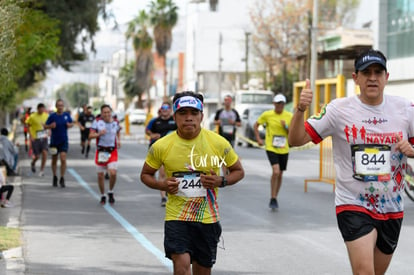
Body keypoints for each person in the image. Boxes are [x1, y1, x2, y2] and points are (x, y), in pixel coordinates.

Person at [288, 49, 414, 275]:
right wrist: (300, 110)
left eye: (378, 72)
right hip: (353, 204)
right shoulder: (339, 109)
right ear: (355, 78)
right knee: (364, 272)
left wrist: (412, 151)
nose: (372, 77)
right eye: (366, 72)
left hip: (392, 207)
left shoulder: (405, 109)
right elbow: (295, 140)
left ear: (387, 77)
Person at [140, 91, 244, 274]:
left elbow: (238, 171)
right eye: (183, 113)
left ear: (202, 116)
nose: (188, 118)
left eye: (194, 113)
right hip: (176, 217)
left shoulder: (219, 143)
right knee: (181, 267)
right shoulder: (162, 146)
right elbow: (146, 175)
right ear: (175, 116)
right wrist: (162, 185)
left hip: (207, 219)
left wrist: (221, 180)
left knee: (202, 271)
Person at [253, 93, 293, 209]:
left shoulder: (289, 116)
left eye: (281, 103)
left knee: (280, 173)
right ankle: (272, 196)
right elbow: (256, 125)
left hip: (284, 148)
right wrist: (258, 138)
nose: (279, 106)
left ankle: (275, 197)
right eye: (277, 103)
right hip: (271, 146)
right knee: (275, 171)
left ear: (284, 104)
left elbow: (293, 131)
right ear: (274, 104)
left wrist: (286, 127)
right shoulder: (267, 115)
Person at [145, 102, 177, 207]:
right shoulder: (155, 121)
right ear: (160, 110)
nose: (165, 109)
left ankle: (169, 189)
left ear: (170, 110)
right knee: (162, 173)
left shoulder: (175, 121)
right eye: (163, 108)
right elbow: (147, 130)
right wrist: (153, 135)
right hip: (159, 151)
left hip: (173, 150)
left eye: (167, 108)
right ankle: (163, 197)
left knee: (172, 172)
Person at [89, 104, 121, 205]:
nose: (106, 114)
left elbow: (118, 131)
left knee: (113, 173)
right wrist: (99, 134)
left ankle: (110, 191)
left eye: (108, 112)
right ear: (101, 113)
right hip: (101, 151)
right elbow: (90, 136)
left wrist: (119, 140)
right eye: (104, 112)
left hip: (112, 151)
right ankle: (103, 195)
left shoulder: (115, 122)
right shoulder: (97, 122)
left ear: (110, 112)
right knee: (100, 175)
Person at [44, 99, 74, 188]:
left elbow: (71, 123)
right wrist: (50, 126)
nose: (60, 107)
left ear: (63, 106)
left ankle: (62, 177)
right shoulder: (52, 116)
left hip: (64, 140)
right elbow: (45, 126)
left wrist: (69, 125)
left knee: (63, 158)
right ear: (56, 106)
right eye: (58, 105)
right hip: (54, 141)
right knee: (54, 159)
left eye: (61, 105)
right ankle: (54, 176)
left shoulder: (66, 115)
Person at [25, 103, 49, 176]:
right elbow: (27, 125)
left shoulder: (46, 116)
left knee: (45, 153)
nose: (42, 110)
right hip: (36, 138)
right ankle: (33, 163)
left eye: (43, 109)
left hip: (44, 137)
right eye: (40, 109)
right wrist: (30, 135)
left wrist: (49, 131)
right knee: (37, 156)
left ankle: (42, 170)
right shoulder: (32, 116)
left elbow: (49, 125)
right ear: (38, 109)